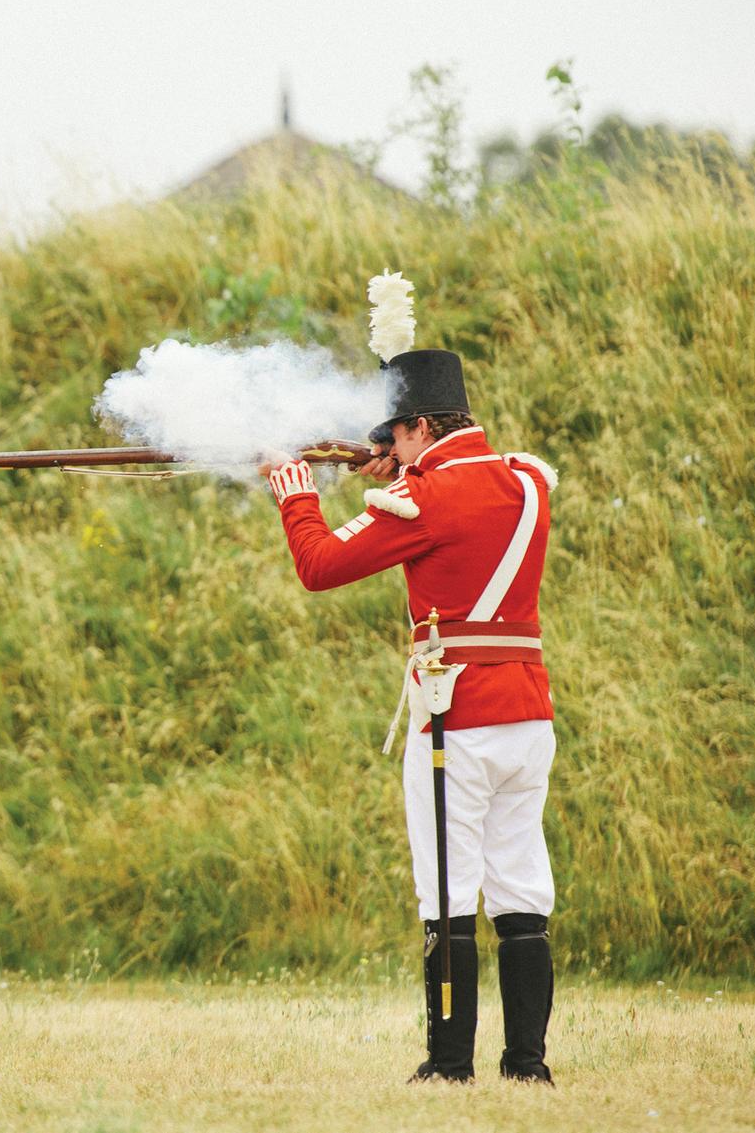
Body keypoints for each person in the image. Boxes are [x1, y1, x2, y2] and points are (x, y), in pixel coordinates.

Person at [259, 348, 559, 1084]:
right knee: (521, 888)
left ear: (420, 424)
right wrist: (402, 469)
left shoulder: (424, 498)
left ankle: (449, 1063)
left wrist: (295, 486)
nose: (387, 447)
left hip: (456, 717)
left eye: (394, 434)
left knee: (447, 890)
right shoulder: (526, 481)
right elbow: (464, 497)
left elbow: (319, 563)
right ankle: (527, 1064)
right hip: (527, 714)